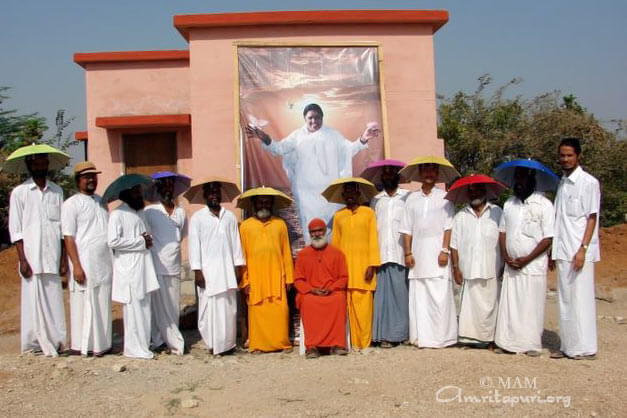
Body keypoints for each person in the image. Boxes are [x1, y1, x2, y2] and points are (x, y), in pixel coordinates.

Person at [246, 103, 379, 243]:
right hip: (306, 197)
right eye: (310, 118)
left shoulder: (333, 135)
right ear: (305, 118)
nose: (314, 121)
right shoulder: (297, 136)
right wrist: (264, 137)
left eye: (317, 117)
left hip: (329, 196)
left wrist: (363, 138)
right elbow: (279, 148)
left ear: (322, 117)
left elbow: (349, 150)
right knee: (311, 233)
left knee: (333, 234)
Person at [9, 153, 67, 356]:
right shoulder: (20, 192)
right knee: (32, 301)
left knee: (54, 300)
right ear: (29, 165)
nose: (40, 164)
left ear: (48, 164)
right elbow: (15, 230)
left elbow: (62, 229)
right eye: (36, 162)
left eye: (43, 161)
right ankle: (33, 343)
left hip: (52, 254)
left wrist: (63, 260)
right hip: (31, 257)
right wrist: (22, 260)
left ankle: (56, 341)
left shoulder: (57, 192)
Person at [495, 167, 554, 356]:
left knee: (531, 304)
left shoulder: (544, 204)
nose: (519, 181)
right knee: (511, 304)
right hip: (511, 265)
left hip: (533, 265)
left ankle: (530, 344)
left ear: (532, 179)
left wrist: (527, 259)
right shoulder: (509, 204)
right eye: (516, 177)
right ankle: (508, 343)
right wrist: (505, 257)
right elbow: (502, 232)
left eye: (523, 177)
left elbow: (548, 238)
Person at [550, 137, 600, 360]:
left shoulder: (589, 183)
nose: (566, 159)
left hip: (579, 250)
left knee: (581, 298)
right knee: (565, 299)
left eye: (570, 155)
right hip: (562, 249)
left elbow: (591, 217)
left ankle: (585, 347)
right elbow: (559, 219)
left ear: (578, 156)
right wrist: (554, 251)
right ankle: (568, 346)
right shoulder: (561, 182)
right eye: (562, 155)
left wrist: (583, 249)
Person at [399, 163, 457, 348]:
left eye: (432, 170)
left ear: (438, 173)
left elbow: (448, 227)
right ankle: (420, 337)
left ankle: (441, 338)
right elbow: (406, 229)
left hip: (437, 254)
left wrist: (444, 250)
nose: (429, 174)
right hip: (417, 255)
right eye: (425, 170)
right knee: (420, 296)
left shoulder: (445, 198)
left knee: (440, 296)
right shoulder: (412, 199)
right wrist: (407, 252)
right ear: (420, 173)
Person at [62, 162, 112, 356]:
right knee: (84, 305)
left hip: (103, 263)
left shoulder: (101, 202)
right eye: (87, 177)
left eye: (94, 176)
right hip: (84, 263)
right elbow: (68, 237)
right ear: (78, 180)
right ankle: (82, 346)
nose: (91, 180)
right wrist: (76, 265)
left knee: (102, 304)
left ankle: (103, 344)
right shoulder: (71, 204)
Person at [189, 181, 245, 355]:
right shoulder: (197, 218)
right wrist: (197, 271)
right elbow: (193, 246)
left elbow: (236, 244)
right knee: (208, 309)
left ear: (220, 195)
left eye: (216, 192)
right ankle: (213, 343)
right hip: (208, 272)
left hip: (227, 271)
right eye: (210, 192)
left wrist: (237, 267)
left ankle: (228, 345)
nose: (214, 195)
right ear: (205, 196)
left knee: (229, 309)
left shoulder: (229, 217)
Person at [108, 184, 159, 359]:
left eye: (139, 191)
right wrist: (139, 242)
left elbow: (147, 236)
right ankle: (133, 348)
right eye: (135, 191)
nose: (139, 194)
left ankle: (144, 345)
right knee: (133, 309)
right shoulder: (117, 214)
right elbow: (113, 241)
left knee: (145, 308)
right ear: (126, 193)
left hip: (144, 266)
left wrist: (147, 240)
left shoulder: (140, 213)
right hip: (129, 269)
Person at [239, 194, 294, 352]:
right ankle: (257, 345)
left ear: (272, 204)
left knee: (279, 310)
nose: (264, 205)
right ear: (254, 204)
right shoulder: (245, 226)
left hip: (277, 277)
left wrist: (289, 278)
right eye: (260, 202)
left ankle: (282, 343)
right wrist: (245, 281)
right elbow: (241, 256)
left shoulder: (280, 224)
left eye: (267, 202)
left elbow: (286, 252)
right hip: (256, 279)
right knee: (258, 311)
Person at [451, 183, 503, 348]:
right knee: (470, 308)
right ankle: (470, 339)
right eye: (471, 191)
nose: (474, 193)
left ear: (485, 191)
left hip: (492, 267)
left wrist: (505, 262)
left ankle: (491, 339)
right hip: (468, 268)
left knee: (491, 305)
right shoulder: (460, 216)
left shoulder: (497, 212)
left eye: (478, 190)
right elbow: (454, 245)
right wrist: (456, 267)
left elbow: (504, 238)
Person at [331, 182, 381, 349]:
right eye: (347, 192)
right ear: (343, 196)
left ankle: (364, 343)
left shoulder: (368, 213)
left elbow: (373, 240)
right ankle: (352, 342)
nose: (350, 194)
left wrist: (372, 265)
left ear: (359, 194)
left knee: (364, 310)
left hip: (363, 268)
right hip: (345, 270)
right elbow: (335, 245)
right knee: (348, 308)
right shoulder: (339, 216)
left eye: (353, 191)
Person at [294, 218, 349, 358]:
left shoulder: (337, 253)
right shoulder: (303, 254)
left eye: (319, 230)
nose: (316, 234)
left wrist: (331, 288)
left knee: (339, 300)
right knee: (307, 301)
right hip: (311, 293)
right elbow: (298, 280)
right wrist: (312, 290)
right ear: (309, 233)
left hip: (332, 292)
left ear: (325, 232)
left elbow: (343, 277)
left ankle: (337, 344)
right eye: (313, 232)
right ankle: (312, 347)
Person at [144, 175, 186, 355]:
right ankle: (159, 340)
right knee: (157, 306)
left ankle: (171, 336)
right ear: (158, 189)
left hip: (174, 265)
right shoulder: (151, 211)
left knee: (172, 305)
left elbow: (182, 235)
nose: (168, 189)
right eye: (164, 186)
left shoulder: (181, 212)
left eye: (171, 186)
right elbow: (146, 235)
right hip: (157, 264)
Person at [370, 165, 409, 347]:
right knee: (382, 297)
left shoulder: (407, 197)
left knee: (400, 296)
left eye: (391, 173)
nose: (388, 176)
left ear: (398, 176)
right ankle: (383, 335)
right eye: (384, 174)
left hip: (401, 253)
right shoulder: (376, 200)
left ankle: (400, 334)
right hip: (380, 254)